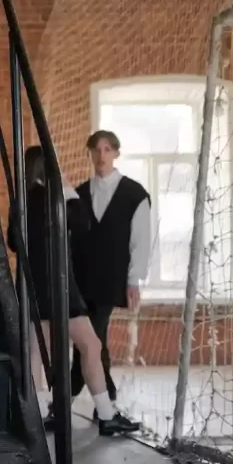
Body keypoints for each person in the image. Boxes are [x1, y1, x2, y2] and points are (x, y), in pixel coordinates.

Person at [7, 146, 140, 436]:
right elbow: (82, 224)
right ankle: (106, 415)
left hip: (32, 285)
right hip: (58, 284)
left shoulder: (21, 200)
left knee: (36, 355)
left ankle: (42, 416)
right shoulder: (53, 197)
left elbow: (13, 243)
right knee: (90, 346)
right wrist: (67, 190)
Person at [69, 130, 151, 417]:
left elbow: (141, 239)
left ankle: (68, 395)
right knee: (94, 338)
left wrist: (134, 279)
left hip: (111, 279)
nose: (101, 155)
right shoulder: (78, 195)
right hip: (81, 280)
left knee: (92, 336)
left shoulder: (135, 194)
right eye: (96, 150)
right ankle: (107, 398)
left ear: (116, 153)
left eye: (107, 149)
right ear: (90, 154)